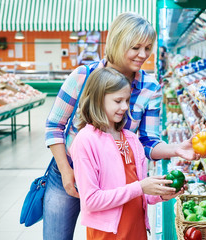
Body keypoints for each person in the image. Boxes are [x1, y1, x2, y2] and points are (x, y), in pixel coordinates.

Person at [44, 12, 199, 240]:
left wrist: (176, 150)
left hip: (112, 178)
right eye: (136, 47)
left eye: (147, 48)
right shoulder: (83, 76)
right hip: (68, 169)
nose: (143, 55)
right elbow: (54, 126)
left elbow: (147, 142)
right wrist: (66, 172)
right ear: (118, 42)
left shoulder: (150, 88)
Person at [69, 67, 181, 239]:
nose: (124, 107)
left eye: (127, 100)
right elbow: (91, 200)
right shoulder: (85, 141)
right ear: (98, 100)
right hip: (108, 234)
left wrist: (161, 193)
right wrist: (140, 187)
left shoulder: (130, 139)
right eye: (118, 100)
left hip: (136, 229)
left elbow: (142, 194)